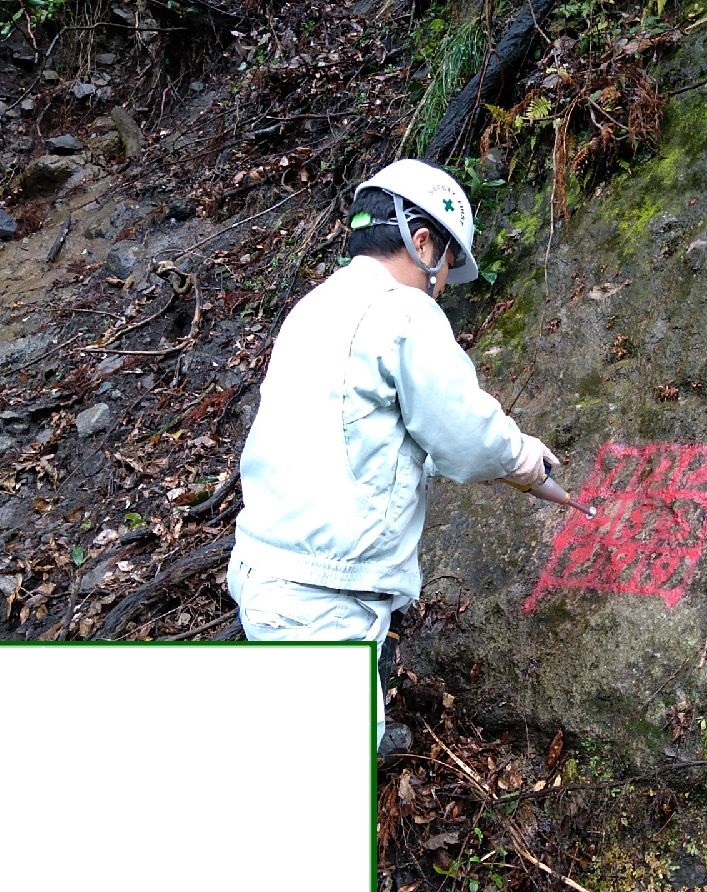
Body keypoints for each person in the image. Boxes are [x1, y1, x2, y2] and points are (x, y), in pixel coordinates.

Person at [226, 159, 557, 763]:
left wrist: (425, 467)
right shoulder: (402, 312)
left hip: (268, 574)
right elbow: (468, 435)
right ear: (422, 241)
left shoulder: (314, 308)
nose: (443, 285)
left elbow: (352, 436)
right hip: (320, 595)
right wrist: (526, 462)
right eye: (448, 265)